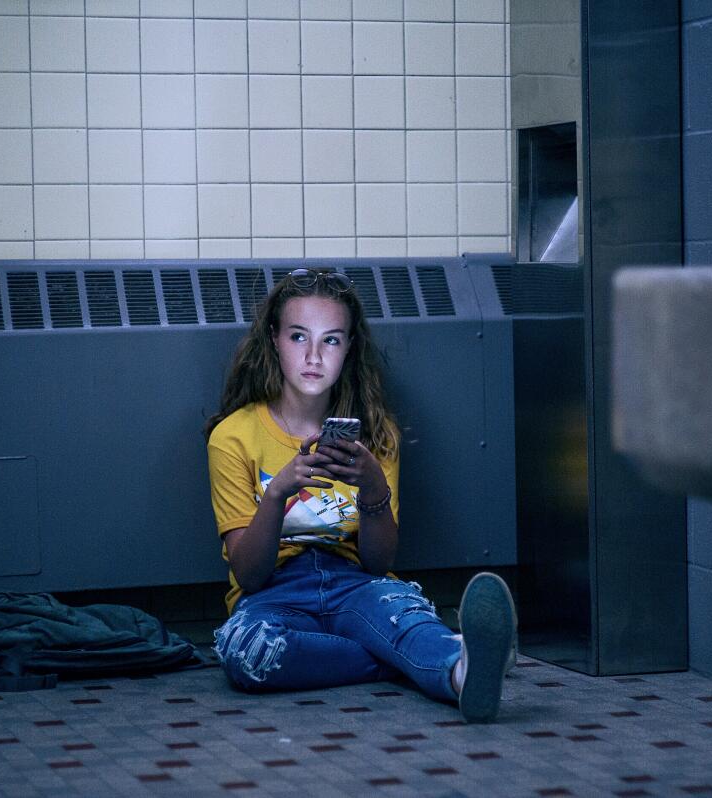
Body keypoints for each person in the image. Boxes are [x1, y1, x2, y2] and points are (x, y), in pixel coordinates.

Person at [203, 267, 516, 723]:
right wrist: (278, 495)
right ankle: (420, 657)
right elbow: (249, 576)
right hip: (272, 594)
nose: (313, 355)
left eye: (331, 340)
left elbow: (376, 563)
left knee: (402, 614)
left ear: (348, 348)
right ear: (273, 339)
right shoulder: (233, 437)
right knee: (249, 652)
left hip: (356, 585)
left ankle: (463, 674)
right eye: (298, 337)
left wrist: (372, 489)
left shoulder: (375, 436)